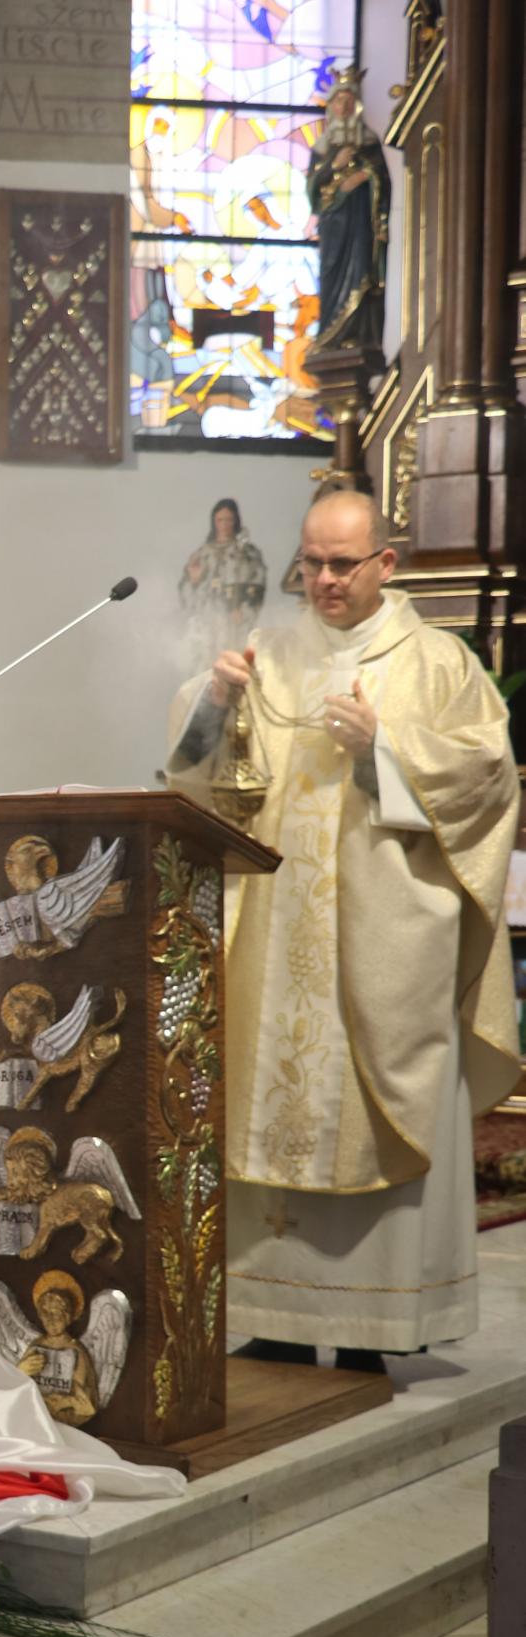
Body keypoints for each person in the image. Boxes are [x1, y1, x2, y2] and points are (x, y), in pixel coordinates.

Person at [167, 491, 521, 1366]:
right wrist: (215, 700)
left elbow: (488, 779)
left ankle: (369, 1329)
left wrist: (383, 750)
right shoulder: (268, 656)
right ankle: (277, 1319)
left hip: (382, 944)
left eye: (341, 564)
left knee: (371, 1105)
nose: (323, 580)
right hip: (271, 940)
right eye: (312, 563)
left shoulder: (436, 663)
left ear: (384, 564)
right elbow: (198, 782)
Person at [306, 68, 390, 351]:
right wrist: (335, 165)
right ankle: (330, 333)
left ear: (357, 106)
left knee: (361, 273)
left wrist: (365, 176)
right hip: (333, 224)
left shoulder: (368, 142)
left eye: (349, 101)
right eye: (338, 101)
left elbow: (383, 179)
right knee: (331, 273)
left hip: (360, 222)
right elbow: (313, 189)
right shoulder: (322, 147)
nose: (343, 107)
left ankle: (357, 333)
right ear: (331, 105)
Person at [178, 498, 267, 658]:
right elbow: (187, 597)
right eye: (220, 520)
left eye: (228, 520)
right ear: (214, 522)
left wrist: (245, 612)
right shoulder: (202, 555)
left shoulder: (247, 554)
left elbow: (257, 588)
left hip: (236, 625)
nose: (224, 525)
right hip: (208, 625)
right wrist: (194, 581)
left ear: (235, 521)